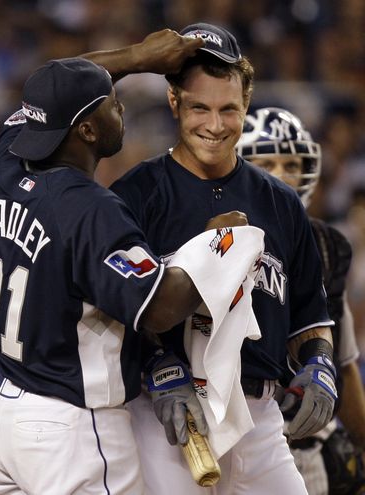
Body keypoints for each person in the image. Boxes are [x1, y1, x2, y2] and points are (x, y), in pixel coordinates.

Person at [0, 29, 254, 495]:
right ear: (87, 129)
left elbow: (60, 85)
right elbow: (160, 305)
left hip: (6, 416)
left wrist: (138, 56)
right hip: (72, 429)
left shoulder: (5, 163)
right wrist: (216, 244)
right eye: (111, 102)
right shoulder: (89, 209)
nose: (120, 105)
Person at [110, 23, 336, 495]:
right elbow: (114, 311)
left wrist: (319, 364)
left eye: (228, 109)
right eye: (199, 108)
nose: (214, 125)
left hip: (258, 414)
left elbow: (310, 318)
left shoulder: (280, 202)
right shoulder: (134, 195)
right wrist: (157, 368)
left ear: (246, 105)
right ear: (174, 102)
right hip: (166, 415)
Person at [237, 106, 365, 495]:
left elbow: (341, 361)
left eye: (292, 164)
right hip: (230, 426)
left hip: (301, 438)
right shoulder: (211, 232)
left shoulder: (325, 245)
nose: (283, 176)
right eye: (267, 162)